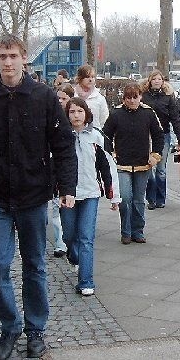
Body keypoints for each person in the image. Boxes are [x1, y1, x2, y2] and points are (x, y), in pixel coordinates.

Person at [0, 33, 77, 360]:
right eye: (2, 56)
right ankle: (9, 324)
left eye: (13, 55)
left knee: (34, 264)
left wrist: (67, 187)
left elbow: (63, 146)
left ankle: (36, 328)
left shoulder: (42, 96)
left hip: (33, 194)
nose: (8, 62)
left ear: (24, 57)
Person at [60, 97, 121, 296]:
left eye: (79, 111)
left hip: (90, 193)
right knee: (69, 236)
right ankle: (73, 256)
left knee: (86, 237)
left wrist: (114, 196)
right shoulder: (61, 136)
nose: (76, 115)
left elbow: (108, 167)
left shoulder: (97, 136)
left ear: (86, 113)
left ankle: (86, 281)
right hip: (67, 194)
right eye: (72, 111)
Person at [102, 82, 164, 244]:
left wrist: (155, 155)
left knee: (138, 200)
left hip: (143, 164)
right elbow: (106, 136)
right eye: (128, 98)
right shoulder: (115, 114)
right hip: (122, 164)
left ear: (140, 97)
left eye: (135, 97)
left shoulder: (148, 113)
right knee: (125, 199)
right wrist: (112, 154)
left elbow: (158, 135)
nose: (131, 101)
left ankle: (138, 230)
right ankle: (126, 231)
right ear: (124, 99)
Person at [141, 69, 180, 210]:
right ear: (150, 81)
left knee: (161, 169)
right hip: (146, 136)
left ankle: (161, 198)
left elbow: (176, 119)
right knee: (149, 168)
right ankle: (151, 198)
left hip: (163, 135)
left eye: (159, 79)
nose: (157, 81)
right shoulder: (144, 97)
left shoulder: (168, 98)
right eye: (154, 79)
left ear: (163, 81)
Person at [49, 83, 77, 259]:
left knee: (68, 215)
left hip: (74, 173)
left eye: (64, 98)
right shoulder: (53, 118)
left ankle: (70, 241)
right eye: (58, 98)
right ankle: (60, 242)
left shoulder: (76, 117)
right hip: (53, 170)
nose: (60, 101)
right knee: (54, 210)